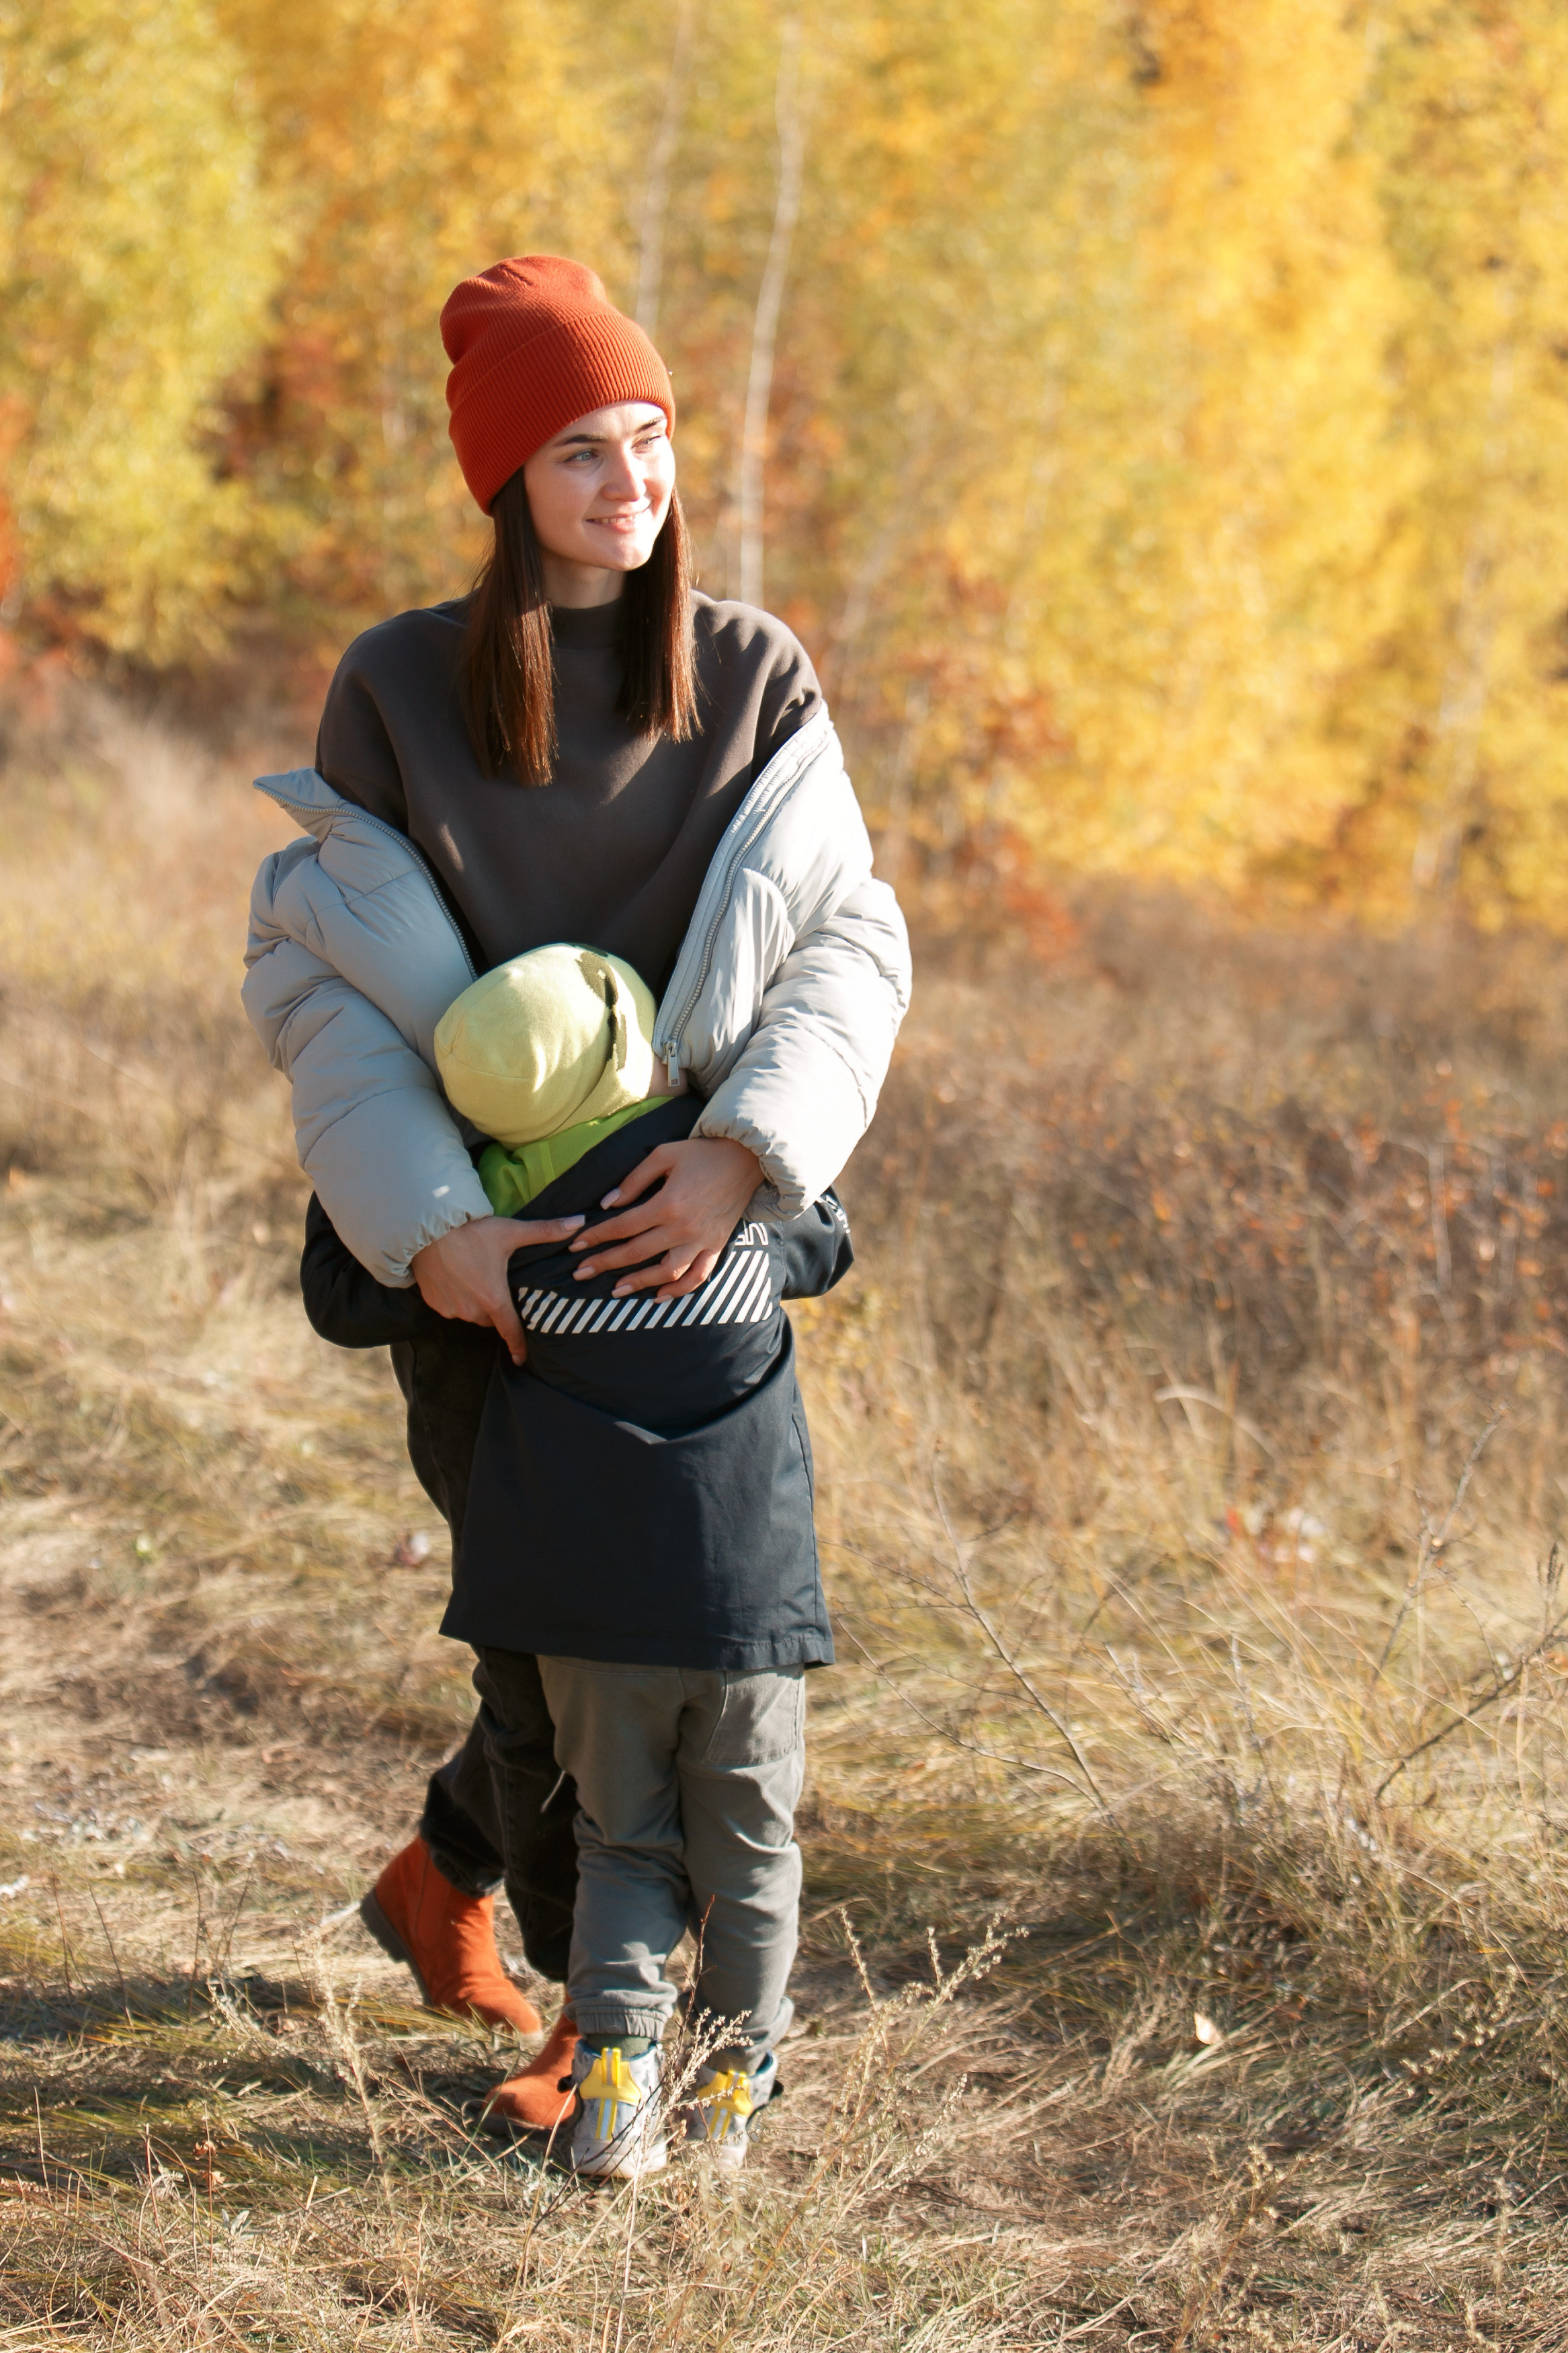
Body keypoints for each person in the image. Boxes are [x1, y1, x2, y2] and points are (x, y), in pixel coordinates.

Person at [243, 253, 910, 2138]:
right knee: (546, 1642)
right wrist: (439, 1235)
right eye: (575, 451)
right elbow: (322, 986)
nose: (628, 482)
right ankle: (576, 2007)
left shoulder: (756, 671)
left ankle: (446, 1888)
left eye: (649, 437)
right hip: (484, 1262)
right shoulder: (394, 688)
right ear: (501, 480)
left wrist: (745, 1155)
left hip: (695, 1245)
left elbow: (847, 948)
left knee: (677, 1625)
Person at [300, 936, 854, 2171]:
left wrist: (452, 1214)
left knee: (621, 1835)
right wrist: (741, 1152)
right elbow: (828, 1239)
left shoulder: (509, 1231)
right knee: (748, 1852)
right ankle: (726, 2091)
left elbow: (338, 1282)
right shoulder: (726, 1224)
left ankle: (608, 2078)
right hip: (740, 1601)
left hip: (584, 1597)